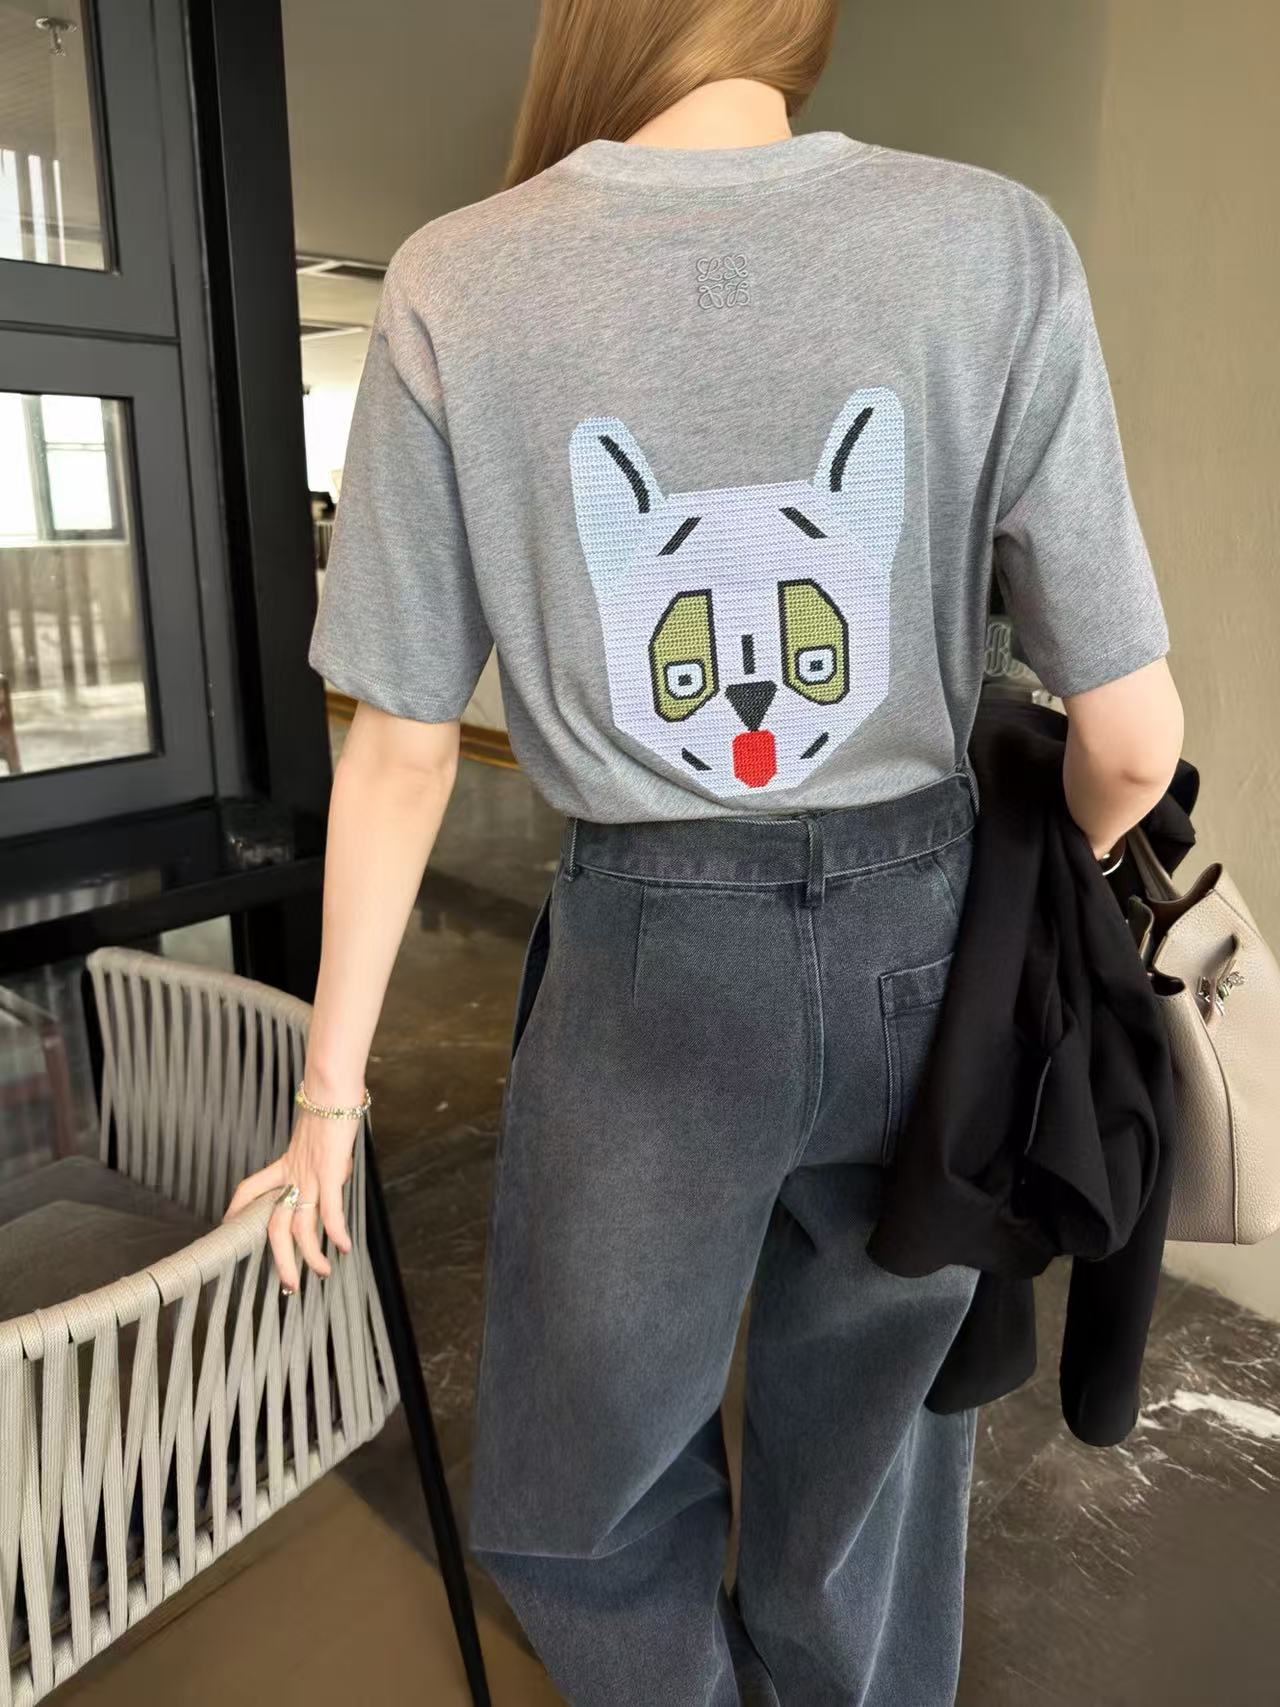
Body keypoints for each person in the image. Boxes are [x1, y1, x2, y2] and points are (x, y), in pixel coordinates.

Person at [225, 1, 1185, 1700]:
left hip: (648, 959)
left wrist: (329, 1104)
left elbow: (400, 747)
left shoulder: (461, 281)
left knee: (587, 1480)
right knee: (874, 1460)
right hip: (924, 942)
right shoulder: (994, 243)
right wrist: (1044, 903)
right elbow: (1130, 741)